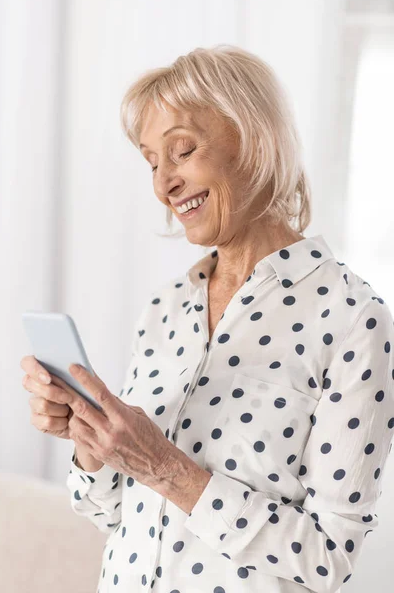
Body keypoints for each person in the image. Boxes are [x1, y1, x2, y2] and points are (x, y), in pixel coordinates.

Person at [21, 45, 394, 593]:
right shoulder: (165, 307)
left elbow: (327, 558)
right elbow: (113, 513)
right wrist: (92, 439)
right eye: (152, 162)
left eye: (182, 151)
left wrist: (165, 467)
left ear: (253, 139)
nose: (162, 184)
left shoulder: (354, 320)